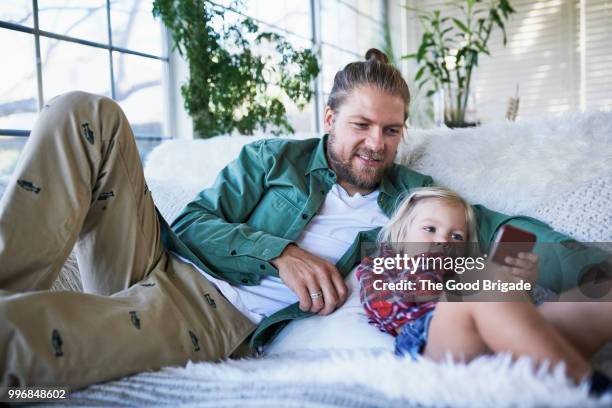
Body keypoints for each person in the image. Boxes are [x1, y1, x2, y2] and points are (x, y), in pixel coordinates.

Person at [0, 48, 606, 392]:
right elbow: (192, 224)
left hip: (207, 312)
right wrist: (279, 254)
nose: (376, 144)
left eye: (391, 130)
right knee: (86, 112)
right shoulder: (271, 159)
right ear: (329, 119)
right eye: (361, 126)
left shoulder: (414, 204)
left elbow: (511, 232)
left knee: (19, 339)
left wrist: (598, 267)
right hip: (158, 258)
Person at [356, 187, 612, 395]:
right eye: (430, 229)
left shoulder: (467, 267)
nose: (443, 241)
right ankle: (591, 388)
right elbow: (389, 306)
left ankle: (547, 377)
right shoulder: (381, 265)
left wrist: (519, 284)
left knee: (599, 294)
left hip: (508, 348)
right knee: (478, 282)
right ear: (401, 234)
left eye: (456, 237)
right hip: (435, 351)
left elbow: (512, 315)